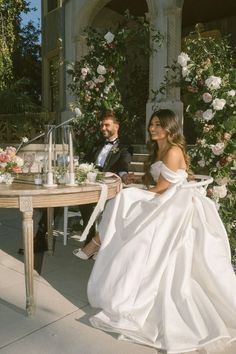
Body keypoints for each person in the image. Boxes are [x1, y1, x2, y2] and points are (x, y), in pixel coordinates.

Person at [75, 109, 236, 353]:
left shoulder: (172, 150)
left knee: (123, 201)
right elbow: (156, 182)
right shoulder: (158, 148)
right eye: (151, 124)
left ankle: (96, 242)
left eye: (159, 125)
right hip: (165, 197)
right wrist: (136, 178)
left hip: (174, 204)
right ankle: (97, 242)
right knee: (123, 200)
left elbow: (162, 189)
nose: (153, 128)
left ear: (170, 127)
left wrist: (136, 192)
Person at [78, 110, 132, 246]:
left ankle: (92, 240)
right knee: (74, 196)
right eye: (102, 125)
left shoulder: (124, 147)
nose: (103, 128)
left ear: (116, 126)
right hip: (89, 180)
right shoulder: (97, 144)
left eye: (107, 125)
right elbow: (86, 161)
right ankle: (90, 236)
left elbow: (123, 164)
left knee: (85, 200)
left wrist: (123, 174)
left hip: (107, 185)